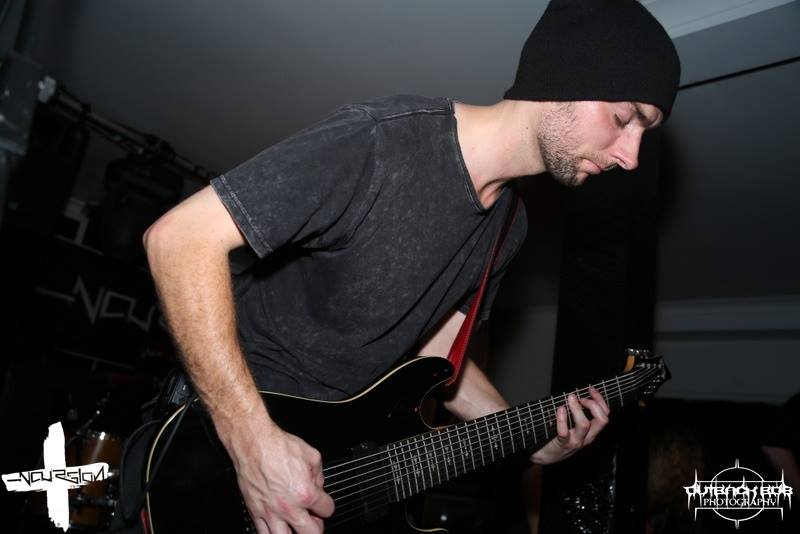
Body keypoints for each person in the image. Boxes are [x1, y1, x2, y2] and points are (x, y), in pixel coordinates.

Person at [143, 0, 680, 532]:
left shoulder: (508, 226)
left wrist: (530, 441)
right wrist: (252, 443)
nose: (631, 156)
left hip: (327, 473)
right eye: (623, 118)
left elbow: (437, 354)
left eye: (644, 133)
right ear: (564, 76)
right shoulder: (385, 141)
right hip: (213, 452)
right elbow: (178, 240)